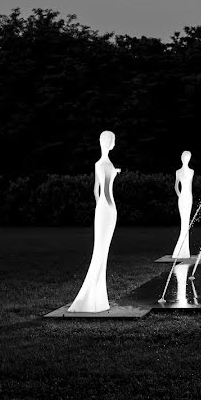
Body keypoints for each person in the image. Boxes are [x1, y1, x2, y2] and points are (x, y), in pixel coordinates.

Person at [69, 130, 121, 313]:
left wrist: (102, 205)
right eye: (114, 140)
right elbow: (106, 192)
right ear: (110, 142)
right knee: (101, 251)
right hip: (108, 208)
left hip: (102, 208)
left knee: (100, 251)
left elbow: (96, 191)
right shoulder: (105, 164)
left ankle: (96, 298)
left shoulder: (99, 164)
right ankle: (90, 298)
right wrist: (108, 207)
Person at [172, 150, 194, 260]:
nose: (186, 159)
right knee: (183, 223)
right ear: (182, 158)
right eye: (185, 157)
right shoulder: (178, 172)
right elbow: (176, 186)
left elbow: (189, 186)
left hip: (189, 198)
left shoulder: (191, 171)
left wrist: (187, 197)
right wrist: (180, 195)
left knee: (186, 224)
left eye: (188, 158)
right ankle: (180, 251)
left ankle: (184, 251)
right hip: (182, 198)